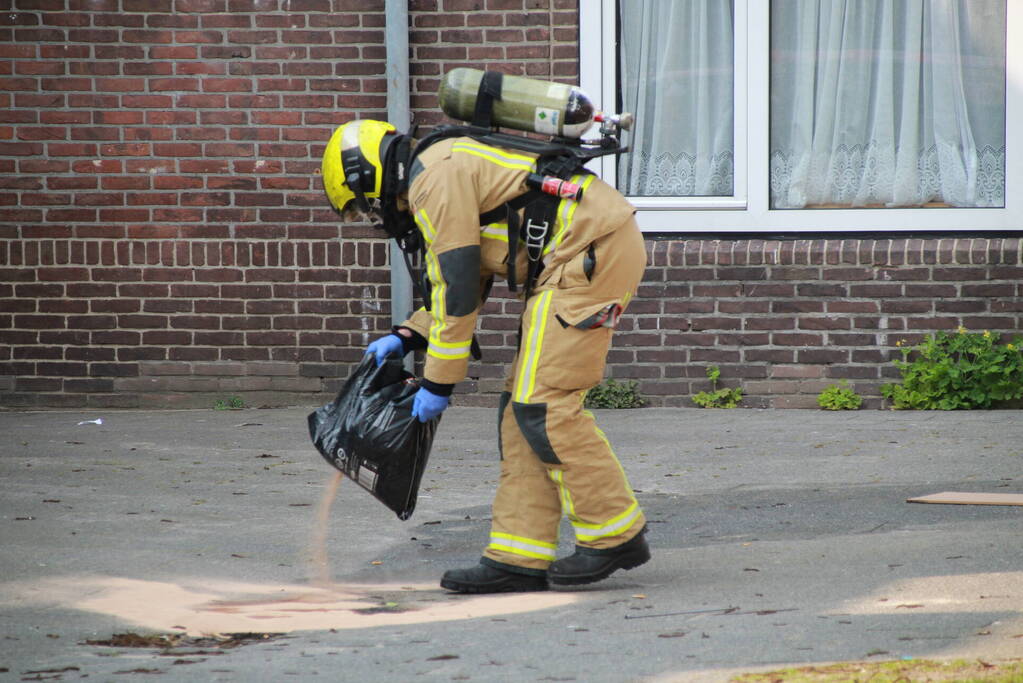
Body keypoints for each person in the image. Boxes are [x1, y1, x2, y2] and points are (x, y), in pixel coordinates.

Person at [320, 117, 650, 593]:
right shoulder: (435, 172)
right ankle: (519, 555)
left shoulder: (433, 177)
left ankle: (617, 533)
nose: (374, 216)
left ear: (369, 175)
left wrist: (437, 383)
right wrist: (409, 335)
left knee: (545, 404)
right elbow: (461, 278)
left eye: (364, 206)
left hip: (588, 251)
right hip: (574, 257)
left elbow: (455, 288)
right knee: (521, 411)